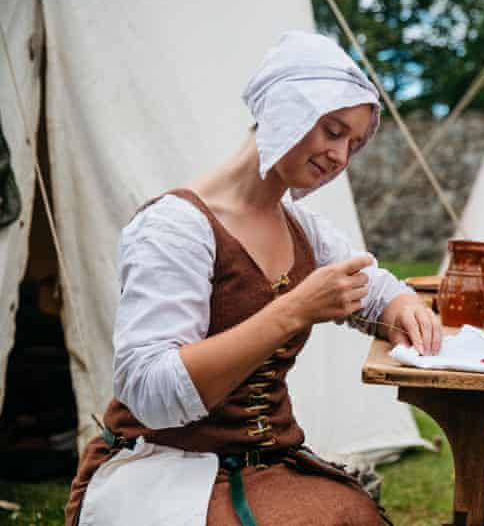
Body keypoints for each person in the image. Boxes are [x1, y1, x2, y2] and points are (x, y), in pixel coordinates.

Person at [64, 31, 442, 526]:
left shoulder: (301, 228)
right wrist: (294, 309)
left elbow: (374, 289)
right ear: (287, 109)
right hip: (166, 465)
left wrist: (403, 306)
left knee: (353, 515)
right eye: (332, 130)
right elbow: (149, 394)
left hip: (266, 462)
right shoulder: (175, 227)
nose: (339, 157)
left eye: (352, 144)